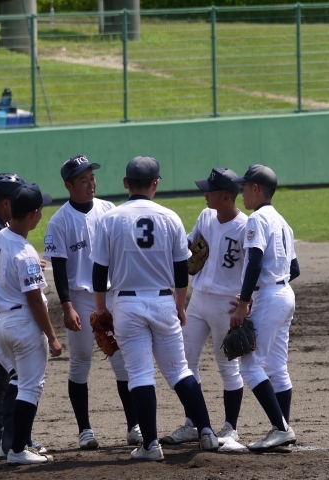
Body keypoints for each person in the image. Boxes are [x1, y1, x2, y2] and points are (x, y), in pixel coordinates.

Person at [91, 156, 219, 461]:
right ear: (156, 183)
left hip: (127, 304)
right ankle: (207, 432)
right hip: (163, 302)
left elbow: (99, 270)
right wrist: (179, 305)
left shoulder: (109, 219)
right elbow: (181, 269)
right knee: (179, 370)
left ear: (126, 183)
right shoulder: (170, 218)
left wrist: (101, 309)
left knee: (139, 374)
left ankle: (150, 446)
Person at [43, 154, 141, 450]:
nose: (90, 184)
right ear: (68, 185)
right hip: (80, 298)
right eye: (83, 180)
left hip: (112, 295)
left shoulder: (108, 210)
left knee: (122, 361)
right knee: (80, 361)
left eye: (92, 178)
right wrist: (67, 306)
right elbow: (59, 269)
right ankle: (85, 430)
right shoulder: (59, 221)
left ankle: (134, 425)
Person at [160, 168, 248, 451]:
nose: (205, 195)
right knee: (185, 360)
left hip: (227, 304)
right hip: (198, 300)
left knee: (228, 365)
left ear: (226, 196)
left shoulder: (245, 227)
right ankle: (193, 424)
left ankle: (230, 428)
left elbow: (254, 268)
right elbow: (187, 247)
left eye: (209, 191)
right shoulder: (206, 216)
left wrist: (247, 303)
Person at [0, 173, 48, 459]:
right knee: (18, 376)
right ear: (6, 203)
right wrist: (21, 272)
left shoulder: (2, 229)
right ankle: (15, 443)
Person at [0, 183, 63, 465]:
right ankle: (18, 450)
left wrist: (33, 265)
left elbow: (11, 268)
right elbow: (34, 300)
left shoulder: (1, 236)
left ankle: (19, 444)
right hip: (23, 326)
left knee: (21, 382)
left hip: (1, 324)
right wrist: (52, 336)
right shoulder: (26, 251)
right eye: (40, 209)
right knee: (31, 387)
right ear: (34, 214)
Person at [229, 164, 300, 452]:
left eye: (244, 187)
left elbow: (255, 262)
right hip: (285, 295)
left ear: (256, 188)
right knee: (277, 367)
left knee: (249, 365)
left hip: (270, 299)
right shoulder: (282, 221)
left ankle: (281, 429)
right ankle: (281, 430)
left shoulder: (257, 219)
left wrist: (244, 303)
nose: (241, 192)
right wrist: (267, 287)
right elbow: (294, 269)